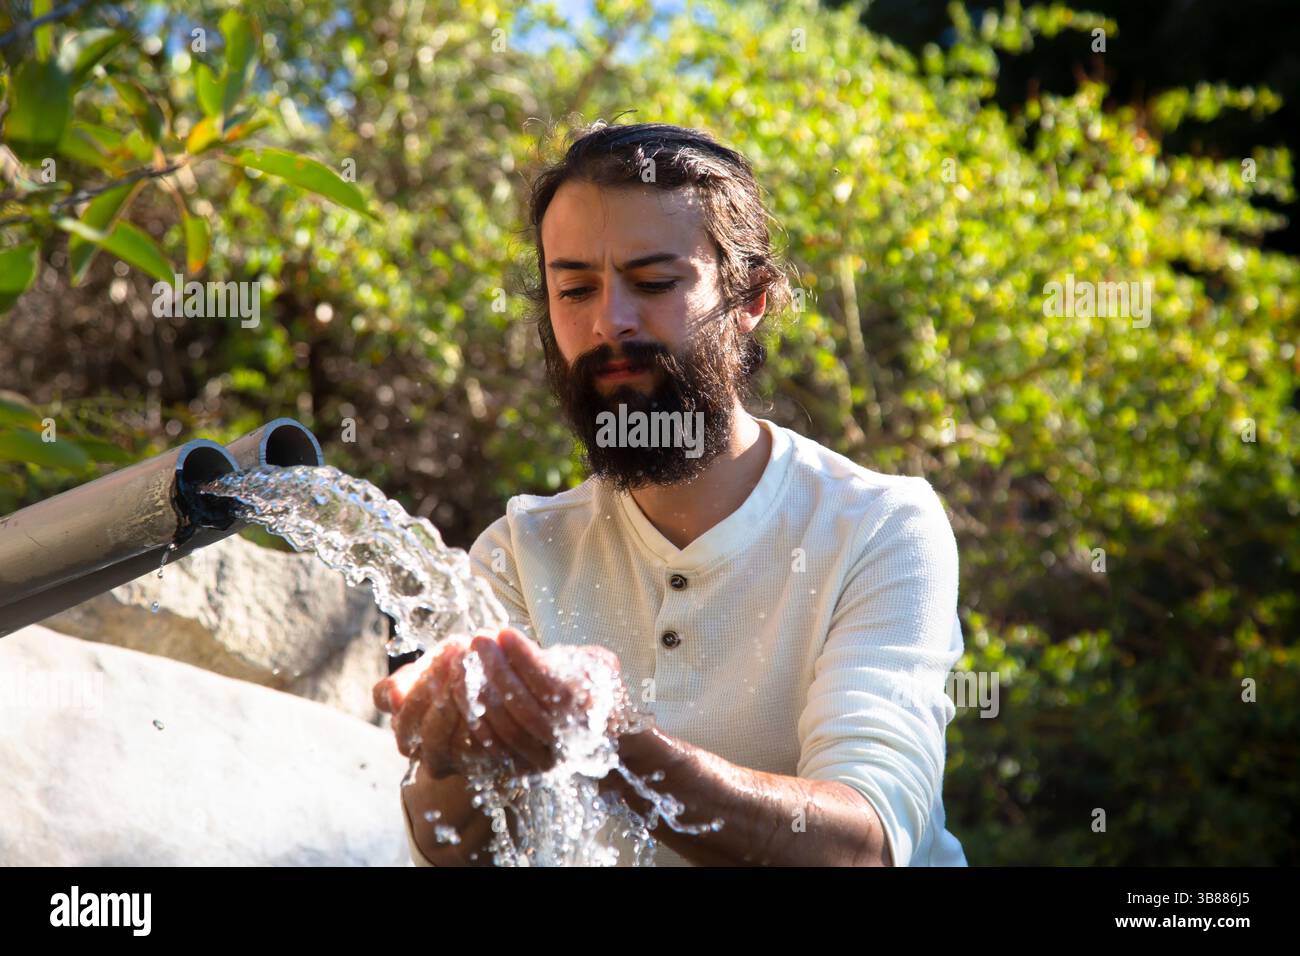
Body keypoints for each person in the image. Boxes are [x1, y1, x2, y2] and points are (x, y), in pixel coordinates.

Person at [373, 121, 968, 867]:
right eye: (574, 289)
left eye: (654, 284)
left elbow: (865, 845)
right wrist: (447, 752)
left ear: (750, 297)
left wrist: (608, 740)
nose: (608, 322)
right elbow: (454, 848)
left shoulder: (879, 527)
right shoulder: (523, 553)